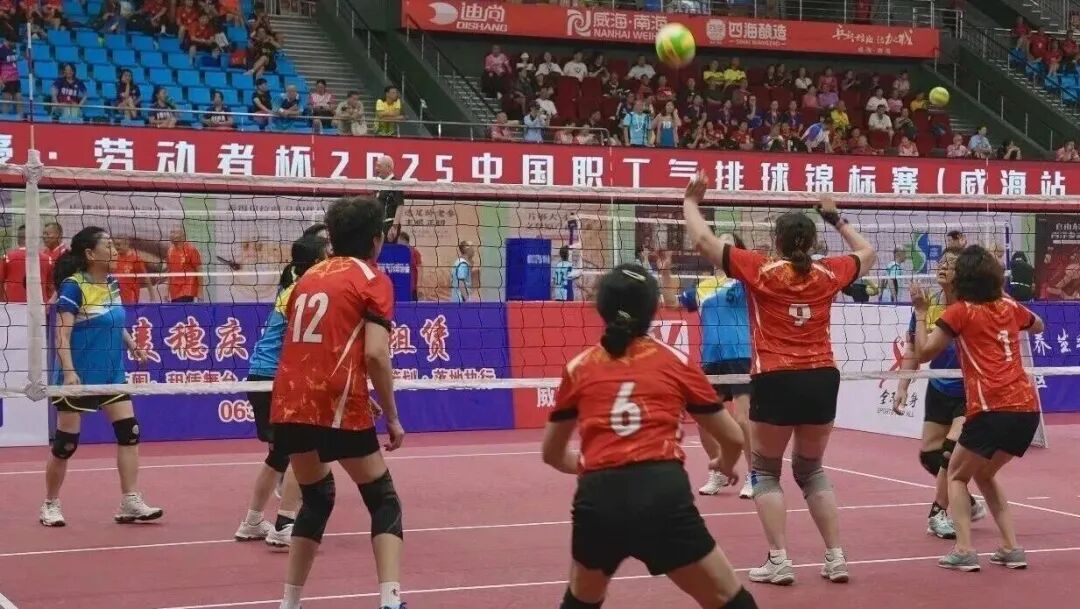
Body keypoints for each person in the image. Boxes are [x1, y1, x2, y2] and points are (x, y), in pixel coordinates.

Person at [683, 171, 876, 585]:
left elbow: (703, 241)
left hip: (776, 377)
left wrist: (690, 204)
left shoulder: (761, 269)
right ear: (813, 241)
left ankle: (780, 560)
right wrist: (835, 217)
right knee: (812, 470)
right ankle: (836, 558)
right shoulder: (830, 272)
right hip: (822, 378)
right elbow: (868, 252)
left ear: (777, 242)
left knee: (766, 471)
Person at [542, 263, 758, 609]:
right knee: (728, 598)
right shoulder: (675, 362)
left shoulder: (579, 366)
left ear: (601, 308)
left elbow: (552, 453)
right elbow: (733, 437)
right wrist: (724, 463)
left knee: (581, 601)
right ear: (653, 309)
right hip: (661, 495)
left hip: (598, 500)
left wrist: (595, 465)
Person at [270, 197, 408, 609]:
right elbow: (376, 354)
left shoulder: (308, 276)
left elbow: (317, 343)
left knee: (316, 498)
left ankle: (289, 603)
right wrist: (393, 417)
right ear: (376, 239)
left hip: (290, 401)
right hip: (335, 403)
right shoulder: (372, 278)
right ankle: (391, 601)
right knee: (383, 499)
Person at [910, 245, 1044, 572]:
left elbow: (924, 353)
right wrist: (1003, 299)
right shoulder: (1009, 306)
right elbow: (1039, 325)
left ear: (963, 279)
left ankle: (965, 550)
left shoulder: (960, 312)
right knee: (984, 474)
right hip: (1026, 409)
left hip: (991, 407)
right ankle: (1011, 548)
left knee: (956, 476)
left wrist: (920, 313)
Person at [40, 226, 163, 527]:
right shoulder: (73, 287)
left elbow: (113, 321)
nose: (114, 250)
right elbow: (61, 335)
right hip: (79, 376)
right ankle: (50, 504)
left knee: (130, 432)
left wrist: (133, 345)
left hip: (112, 374)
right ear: (90, 254)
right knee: (66, 445)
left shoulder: (111, 283)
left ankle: (130, 500)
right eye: (107, 245)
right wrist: (70, 372)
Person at [234, 232, 328, 550]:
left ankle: (252, 521)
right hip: (278, 378)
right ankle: (285, 525)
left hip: (264, 376)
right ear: (317, 261)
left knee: (280, 455)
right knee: (305, 451)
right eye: (328, 254)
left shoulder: (295, 288)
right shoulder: (307, 293)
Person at [893, 247, 988, 540]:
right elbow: (914, 350)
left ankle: (938, 513)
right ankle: (967, 502)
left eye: (951, 264)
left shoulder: (971, 306)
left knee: (950, 452)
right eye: (941, 262)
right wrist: (903, 385)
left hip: (968, 389)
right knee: (929, 456)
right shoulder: (928, 304)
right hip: (938, 386)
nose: (943, 267)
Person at [669, 233, 754, 499]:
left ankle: (755, 475)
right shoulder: (704, 286)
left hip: (740, 356)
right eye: (719, 241)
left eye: (728, 242)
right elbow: (671, 303)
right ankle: (720, 469)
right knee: (704, 420)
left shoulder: (746, 280)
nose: (721, 245)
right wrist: (665, 271)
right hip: (711, 360)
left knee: (742, 419)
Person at [0, 224, 55, 303]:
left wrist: (2, 301)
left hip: (13, 304)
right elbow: (50, 287)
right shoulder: (47, 259)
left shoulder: (7, 258)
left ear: (18, 239)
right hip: (39, 304)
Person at [166, 227, 202, 303]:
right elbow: (170, 273)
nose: (171, 235)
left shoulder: (191, 250)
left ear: (183, 236)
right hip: (174, 292)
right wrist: (166, 292)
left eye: (175, 233)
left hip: (187, 290)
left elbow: (199, 271)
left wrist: (200, 292)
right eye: (171, 232)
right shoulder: (170, 251)